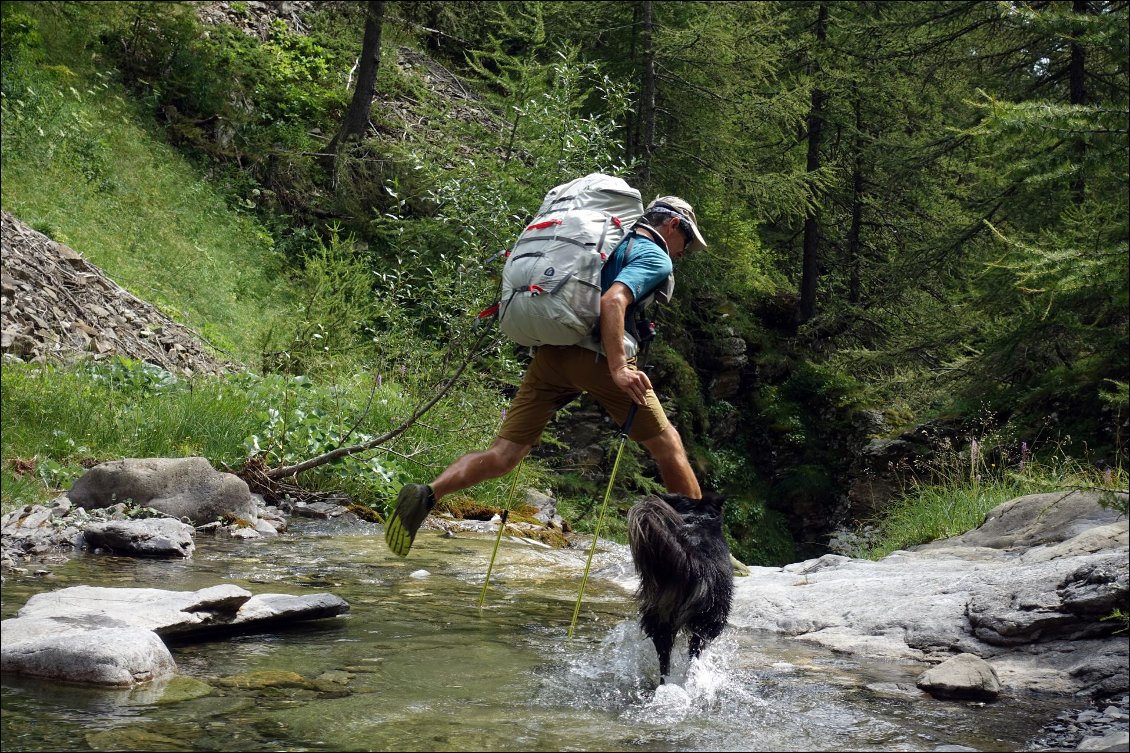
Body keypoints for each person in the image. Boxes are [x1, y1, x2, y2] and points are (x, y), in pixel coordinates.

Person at [385, 196, 709, 557]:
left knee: (504, 454)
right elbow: (613, 302)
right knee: (668, 446)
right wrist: (618, 367)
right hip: (600, 358)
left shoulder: (608, 242)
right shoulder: (654, 255)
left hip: (552, 354)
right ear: (672, 225)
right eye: (688, 241)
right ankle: (702, 544)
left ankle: (428, 493)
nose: (685, 251)